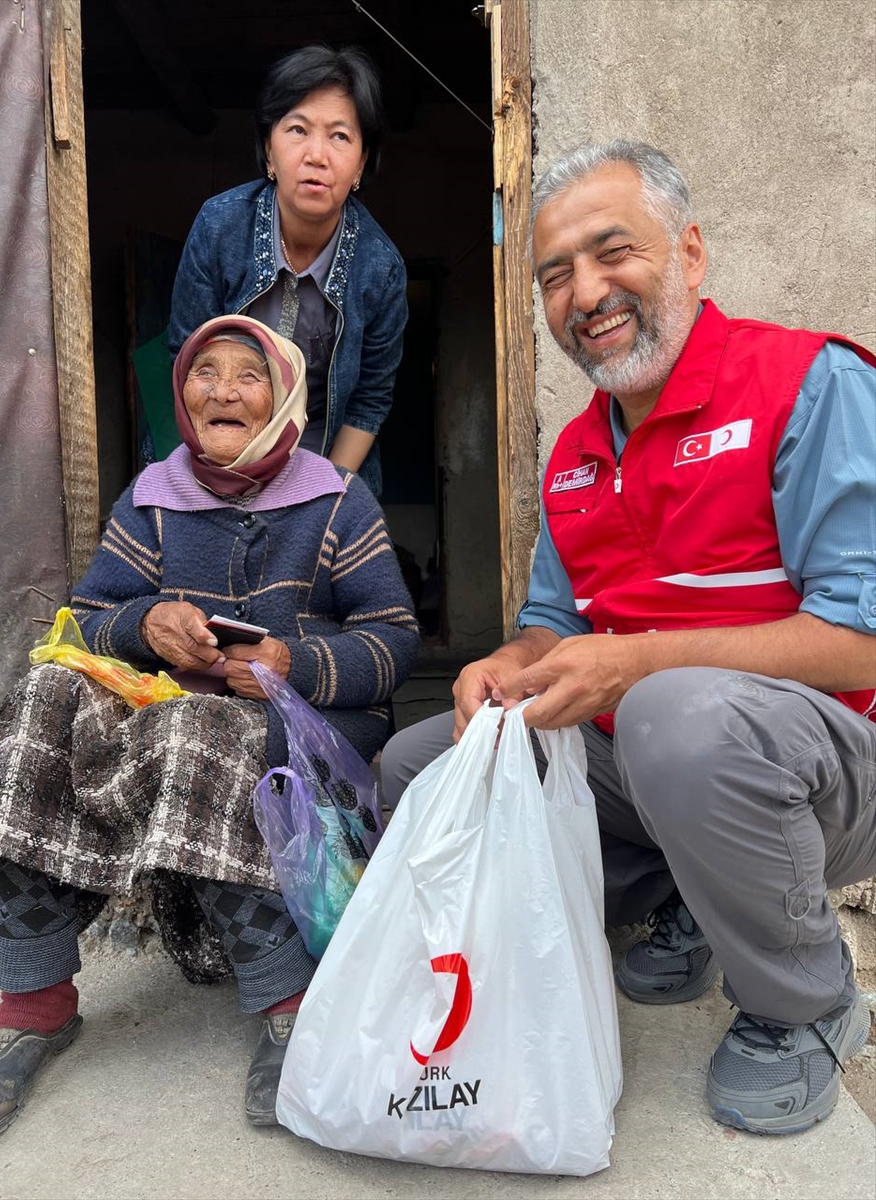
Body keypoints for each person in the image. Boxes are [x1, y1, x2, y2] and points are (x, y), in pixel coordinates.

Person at [380, 141, 876, 1136]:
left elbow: (861, 643)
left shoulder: (807, 385)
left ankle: (807, 1003)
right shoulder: (575, 452)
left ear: (690, 255)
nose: (585, 292)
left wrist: (641, 662)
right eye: (555, 275)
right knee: (423, 761)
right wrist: (503, 667)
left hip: (832, 773)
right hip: (676, 758)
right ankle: (683, 905)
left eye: (613, 253)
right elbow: (554, 630)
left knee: (666, 712)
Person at [0, 314, 419, 1142]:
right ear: (181, 395)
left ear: (283, 396)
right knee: (43, 694)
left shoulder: (335, 501)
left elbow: (393, 638)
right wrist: (145, 625)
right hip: (172, 715)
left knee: (198, 730)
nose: (222, 389)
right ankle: (33, 996)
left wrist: (297, 662)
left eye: (248, 375)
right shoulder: (153, 499)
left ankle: (286, 997)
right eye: (203, 372)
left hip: (307, 727)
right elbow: (92, 616)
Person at [168, 44, 407, 497]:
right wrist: (218, 481)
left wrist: (325, 494)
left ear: (361, 164)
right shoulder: (219, 228)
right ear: (268, 150)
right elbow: (184, 355)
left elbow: (370, 400)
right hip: (216, 453)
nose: (317, 155)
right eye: (297, 129)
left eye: (340, 136)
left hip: (323, 460)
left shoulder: (381, 269)